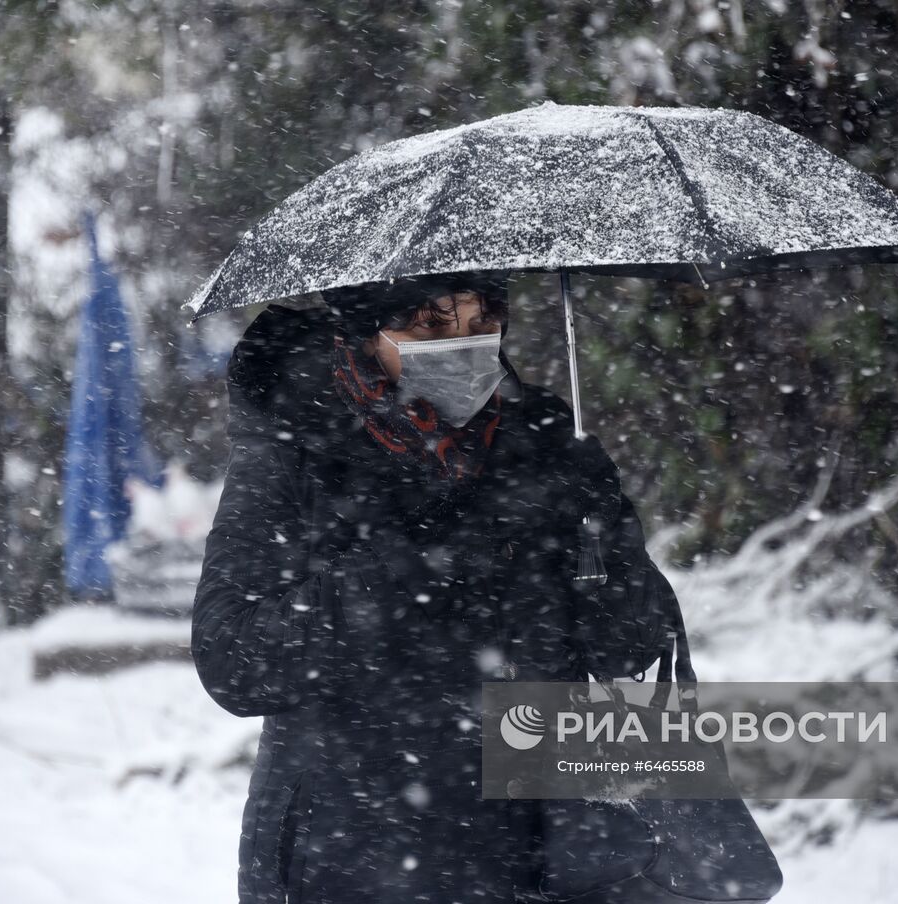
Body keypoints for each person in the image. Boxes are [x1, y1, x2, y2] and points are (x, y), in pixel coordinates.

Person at [191, 270, 681, 904]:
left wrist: (599, 535)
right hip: (346, 845)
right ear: (367, 333)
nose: (465, 345)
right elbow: (234, 660)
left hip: (524, 846)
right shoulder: (293, 446)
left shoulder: (542, 444)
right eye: (429, 323)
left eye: (482, 322)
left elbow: (623, 654)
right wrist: (408, 570)